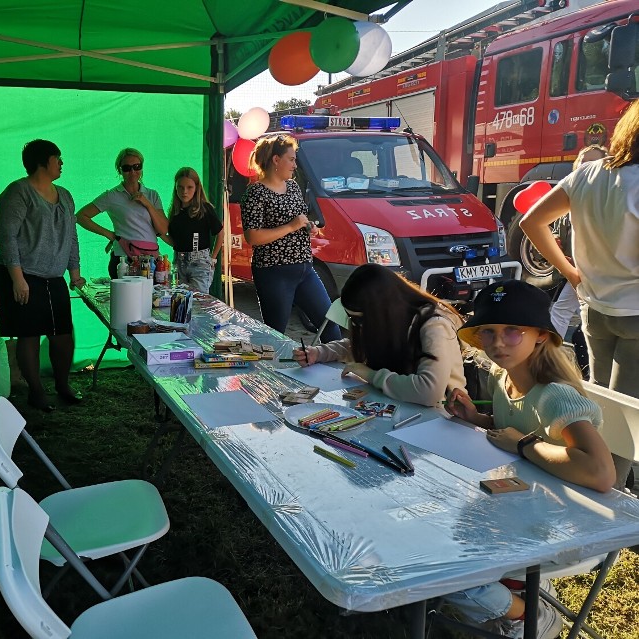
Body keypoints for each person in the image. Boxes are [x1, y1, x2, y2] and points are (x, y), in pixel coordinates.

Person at [443, 279, 615, 638]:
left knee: (446, 570)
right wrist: (476, 419)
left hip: (567, 526)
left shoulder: (556, 396)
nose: (498, 343)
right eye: (487, 332)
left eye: (512, 331)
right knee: (442, 533)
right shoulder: (501, 376)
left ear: (540, 335)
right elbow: (512, 427)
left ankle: (529, 615)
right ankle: (516, 591)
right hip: (522, 507)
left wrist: (523, 445)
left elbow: (601, 473)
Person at [520, 101, 639, 487]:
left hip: (594, 308)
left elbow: (530, 221)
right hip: (634, 312)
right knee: (622, 426)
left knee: (602, 409)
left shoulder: (587, 174)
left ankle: (592, 490)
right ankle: (606, 507)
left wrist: (569, 271)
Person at [0, 139, 86, 412]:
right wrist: (17, 279)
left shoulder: (65, 195)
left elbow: (72, 236)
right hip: (20, 272)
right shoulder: (17, 192)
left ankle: (62, 384)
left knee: (63, 333)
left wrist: (75, 273)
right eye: (58, 159)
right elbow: (7, 238)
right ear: (43, 163)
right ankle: (36, 392)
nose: (62, 164)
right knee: (29, 334)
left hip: (52, 276)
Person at [294, 264, 466, 407]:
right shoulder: (394, 319)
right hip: (401, 407)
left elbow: (429, 392)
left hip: (441, 419)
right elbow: (363, 344)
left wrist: (370, 375)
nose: (357, 327)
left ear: (380, 311)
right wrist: (319, 353)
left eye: (359, 320)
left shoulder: (434, 326)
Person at [240, 135, 341, 342]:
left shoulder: (293, 187)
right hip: (274, 272)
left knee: (330, 327)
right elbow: (253, 236)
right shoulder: (256, 193)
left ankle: (332, 372)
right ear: (276, 160)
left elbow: (299, 220)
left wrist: (308, 227)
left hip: (304, 269)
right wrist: (291, 226)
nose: (295, 165)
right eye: (291, 159)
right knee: (275, 335)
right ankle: (272, 373)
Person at [76, 148, 168, 278]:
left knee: (151, 298)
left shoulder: (152, 195)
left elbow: (163, 229)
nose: (132, 171)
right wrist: (109, 234)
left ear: (142, 168)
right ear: (119, 170)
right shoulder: (111, 195)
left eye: (137, 166)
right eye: (126, 168)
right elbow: (81, 216)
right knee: (125, 298)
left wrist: (147, 203)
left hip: (150, 260)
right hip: (123, 259)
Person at [547, 145, 608, 339]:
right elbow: (557, 230)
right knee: (567, 312)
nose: (585, 168)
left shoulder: (607, 197)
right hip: (576, 271)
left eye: (592, 164)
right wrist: (556, 242)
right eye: (582, 163)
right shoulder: (569, 195)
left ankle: (551, 357)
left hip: (596, 272)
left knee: (565, 312)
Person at [163, 167, 223, 293]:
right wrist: (159, 233)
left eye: (189, 187)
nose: (184, 191)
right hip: (179, 262)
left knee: (198, 301)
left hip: (200, 262)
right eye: (180, 187)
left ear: (196, 188)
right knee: (181, 300)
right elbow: (175, 240)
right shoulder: (175, 211)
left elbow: (219, 232)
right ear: (175, 187)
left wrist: (213, 257)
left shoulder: (204, 209)